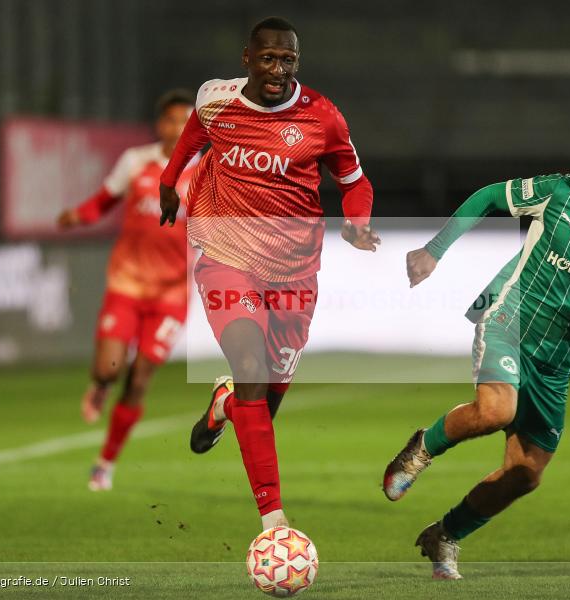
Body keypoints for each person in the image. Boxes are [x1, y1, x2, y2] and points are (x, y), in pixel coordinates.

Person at [382, 124, 570, 579]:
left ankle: (446, 534)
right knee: (496, 410)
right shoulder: (560, 192)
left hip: (558, 361)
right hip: (507, 317)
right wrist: (435, 250)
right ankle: (422, 448)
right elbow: (490, 196)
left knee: (526, 474)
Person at [158, 16, 379, 532]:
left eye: (287, 60)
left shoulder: (322, 118)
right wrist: (170, 182)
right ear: (247, 60)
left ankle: (225, 404)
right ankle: (274, 525)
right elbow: (194, 132)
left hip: (294, 269)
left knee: (263, 400)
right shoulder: (216, 99)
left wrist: (358, 221)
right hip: (224, 253)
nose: (277, 69)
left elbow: (355, 181)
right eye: (267, 59)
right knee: (252, 370)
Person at [57, 89, 198, 491]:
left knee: (139, 378)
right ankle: (99, 385)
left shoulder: (206, 173)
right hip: (127, 283)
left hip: (172, 294)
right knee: (109, 368)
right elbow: (104, 201)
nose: (177, 128)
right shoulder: (136, 162)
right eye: (171, 120)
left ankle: (105, 462)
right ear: (159, 124)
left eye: (186, 121)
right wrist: (77, 215)